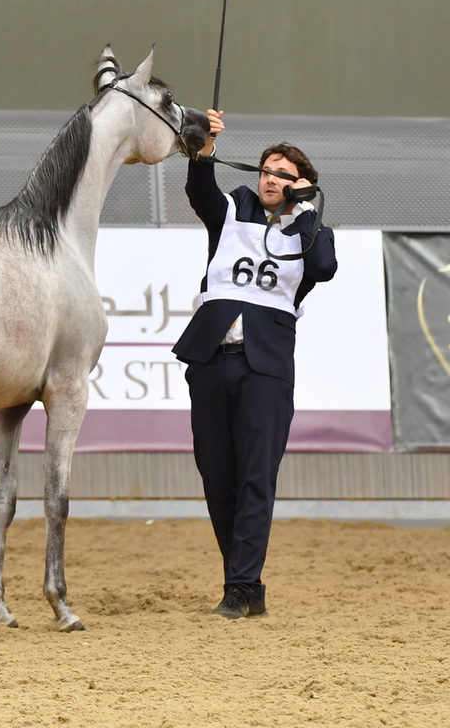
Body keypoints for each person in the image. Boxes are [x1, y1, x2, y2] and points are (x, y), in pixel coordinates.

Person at [173, 109, 338, 619]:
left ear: (300, 185)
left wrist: (305, 207)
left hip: (265, 369)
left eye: (284, 174)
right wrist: (205, 149)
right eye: (267, 170)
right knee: (216, 474)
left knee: (255, 477)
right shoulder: (229, 213)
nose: (271, 178)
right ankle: (244, 586)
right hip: (210, 359)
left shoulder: (309, 235)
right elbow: (201, 191)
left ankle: (240, 587)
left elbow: (324, 269)